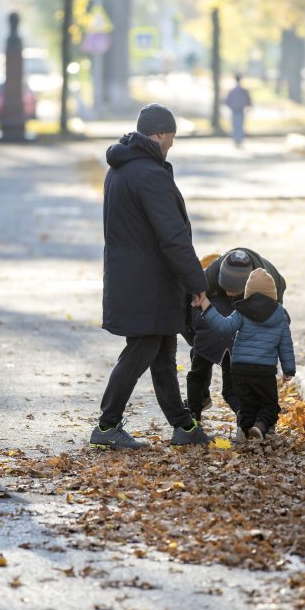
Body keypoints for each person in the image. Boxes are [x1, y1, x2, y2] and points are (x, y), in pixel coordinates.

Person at [92, 103, 212, 450]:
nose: (172, 145)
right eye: (171, 138)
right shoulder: (149, 174)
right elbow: (173, 236)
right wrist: (197, 284)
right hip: (149, 281)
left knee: (161, 351)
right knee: (143, 349)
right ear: (159, 134)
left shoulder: (121, 169)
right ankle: (106, 425)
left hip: (135, 278)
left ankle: (184, 426)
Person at [186, 248, 287, 423]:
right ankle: (244, 416)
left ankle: (194, 418)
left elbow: (275, 320)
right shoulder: (212, 273)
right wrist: (195, 338)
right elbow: (188, 307)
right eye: (225, 289)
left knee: (203, 374)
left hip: (227, 327)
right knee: (229, 387)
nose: (228, 294)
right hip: (219, 327)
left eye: (234, 291)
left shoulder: (271, 283)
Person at [199, 268, 295, 443]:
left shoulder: (242, 310)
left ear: (248, 292)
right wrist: (288, 369)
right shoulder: (280, 314)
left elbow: (223, 327)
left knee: (247, 404)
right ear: (273, 293)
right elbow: (285, 345)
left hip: (240, 368)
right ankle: (259, 427)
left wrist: (206, 306)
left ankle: (244, 432)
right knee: (270, 405)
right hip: (264, 370)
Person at [224, 74, 252, 148]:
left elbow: (227, 101)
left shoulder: (232, 91)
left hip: (234, 110)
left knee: (235, 125)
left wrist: (232, 106)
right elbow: (248, 101)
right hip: (240, 110)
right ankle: (239, 140)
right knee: (240, 125)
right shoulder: (243, 91)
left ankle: (236, 140)